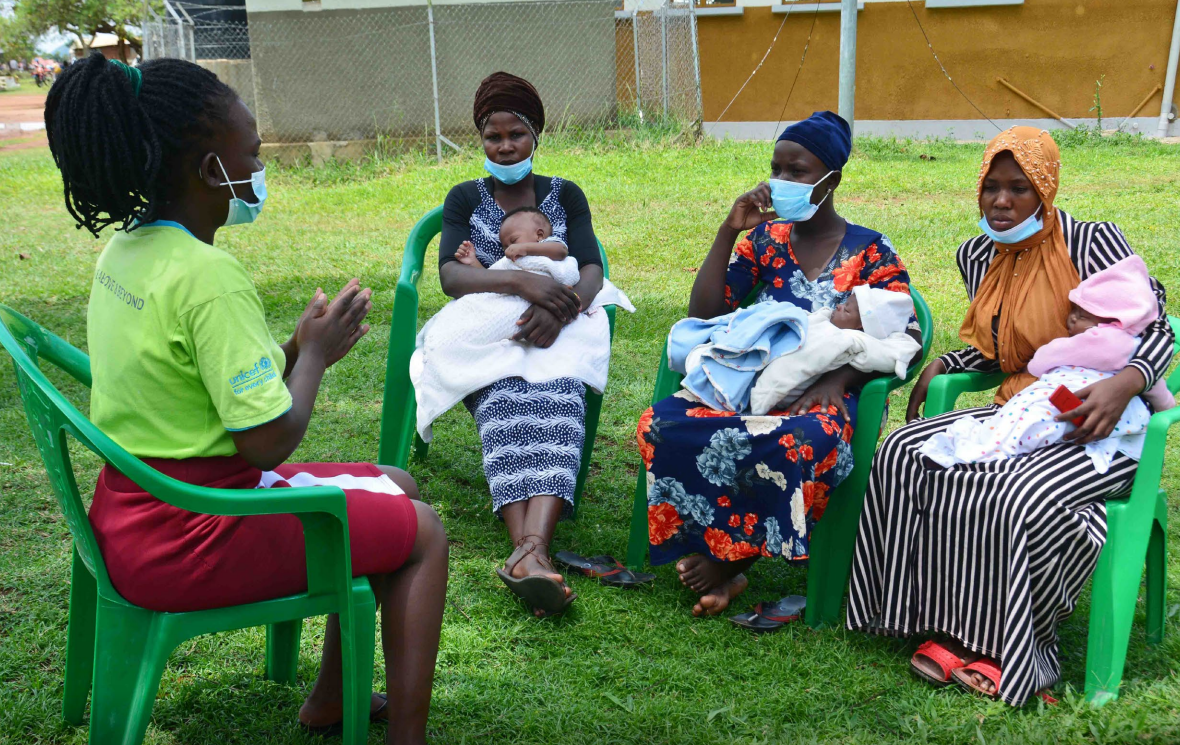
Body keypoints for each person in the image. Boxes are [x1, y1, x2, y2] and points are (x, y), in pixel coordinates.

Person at [45, 53, 447, 744]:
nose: (260, 172)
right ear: (210, 171)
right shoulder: (209, 277)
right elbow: (265, 440)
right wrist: (315, 357)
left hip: (132, 510)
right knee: (426, 531)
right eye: (253, 156)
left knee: (397, 483)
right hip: (197, 533)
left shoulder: (126, 253)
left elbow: (197, 387)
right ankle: (408, 736)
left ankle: (331, 697)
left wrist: (291, 348)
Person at [847, 127, 1175, 706]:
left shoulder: (1091, 241)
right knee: (903, 454)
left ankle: (1018, 652)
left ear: (1044, 190)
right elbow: (1005, 349)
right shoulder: (977, 254)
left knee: (1012, 492)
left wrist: (1124, 386)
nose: (1001, 202)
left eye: (1018, 189)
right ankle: (915, 614)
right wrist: (946, 362)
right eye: (991, 188)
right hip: (1020, 408)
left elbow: (1152, 324)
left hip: (1092, 424)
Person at [637, 111, 920, 620]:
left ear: (831, 179)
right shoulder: (765, 242)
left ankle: (727, 560)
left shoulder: (870, 250)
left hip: (824, 395)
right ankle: (723, 554)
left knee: (797, 440)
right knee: (661, 424)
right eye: (777, 169)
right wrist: (729, 231)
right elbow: (704, 313)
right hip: (750, 385)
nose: (782, 182)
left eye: (798, 172)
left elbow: (908, 333)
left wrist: (841, 377)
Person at [437, 71, 606, 617]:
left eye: (516, 134)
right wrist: (519, 281)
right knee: (503, 402)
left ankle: (528, 553)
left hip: (559, 322)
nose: (505, 145)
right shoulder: (465, 196)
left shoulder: (566, 194)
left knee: (559, 399)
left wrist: (563, 308)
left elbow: (591, 269)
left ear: (536, 135)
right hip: (493, 328)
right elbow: (451, 277)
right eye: (493, 136)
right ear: (480, 140)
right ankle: (533, 553)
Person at [919, 255, 1173, 473]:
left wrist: (1036, 364)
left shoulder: (1091, 339)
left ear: (1112, 322)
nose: (1071, 320)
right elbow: (1158, 390)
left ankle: (986, 452)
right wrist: (1166, 408)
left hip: (1070, 407)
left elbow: (1044, 358)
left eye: (1081, 315)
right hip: (1120, 424)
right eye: (1072, 312)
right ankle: (989, 451)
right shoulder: (1135, 349)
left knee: (1024, 419)